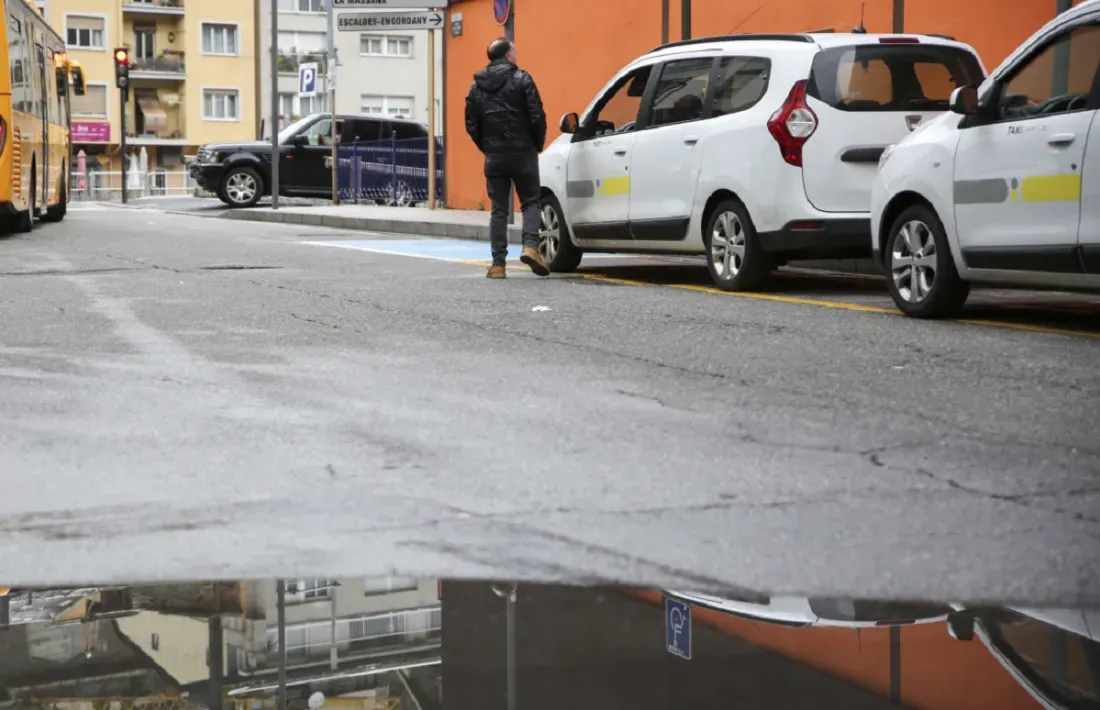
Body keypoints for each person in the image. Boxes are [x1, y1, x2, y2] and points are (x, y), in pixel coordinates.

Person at [465, 38, 549, 279]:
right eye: (514, 51)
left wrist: (487, 147)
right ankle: (530, 246)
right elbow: (537, 115)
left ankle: (498, 265)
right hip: (523, 152)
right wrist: (536, 144)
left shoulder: (476, 87)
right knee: (531, 201)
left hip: (495, 156)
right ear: (508, 55)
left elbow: (471, 123)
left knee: (499, 210)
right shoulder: (522, 79)